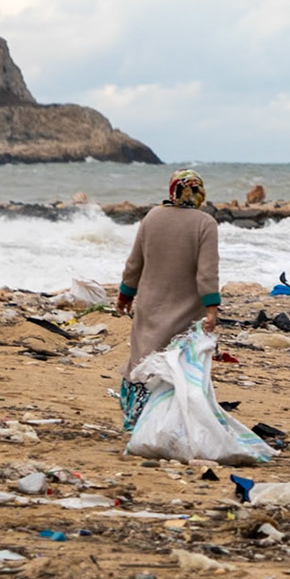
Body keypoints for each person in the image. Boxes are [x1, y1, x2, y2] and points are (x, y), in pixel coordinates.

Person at [114, 169, 221, 428]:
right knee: (178, 365)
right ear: (200, 192)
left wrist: (125, 295)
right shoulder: (205, 224)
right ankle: (172, 422)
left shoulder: (152, 217)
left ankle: (137, 418)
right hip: (186, 308)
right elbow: (207, 273)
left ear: (172, 189)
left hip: (150, 305)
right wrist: (212, 309)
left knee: (143, 359)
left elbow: (134, 263)